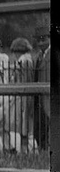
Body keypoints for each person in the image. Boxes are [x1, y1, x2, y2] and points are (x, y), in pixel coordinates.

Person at [6, 37, 35, 153]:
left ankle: (25, 149)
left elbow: (24, 79)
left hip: (24, 95)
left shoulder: (24, 60)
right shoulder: (27, 59)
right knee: (24, 123)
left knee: (24, 123)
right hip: (25, 95)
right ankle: (24, 149)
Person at [32, 23, 50, 151]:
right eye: (38, 40)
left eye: (44, 39)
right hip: (39, 94)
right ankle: (42, 148)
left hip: (50, 94)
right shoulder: (39, 55)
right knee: (40, 124)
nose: (41, 42)